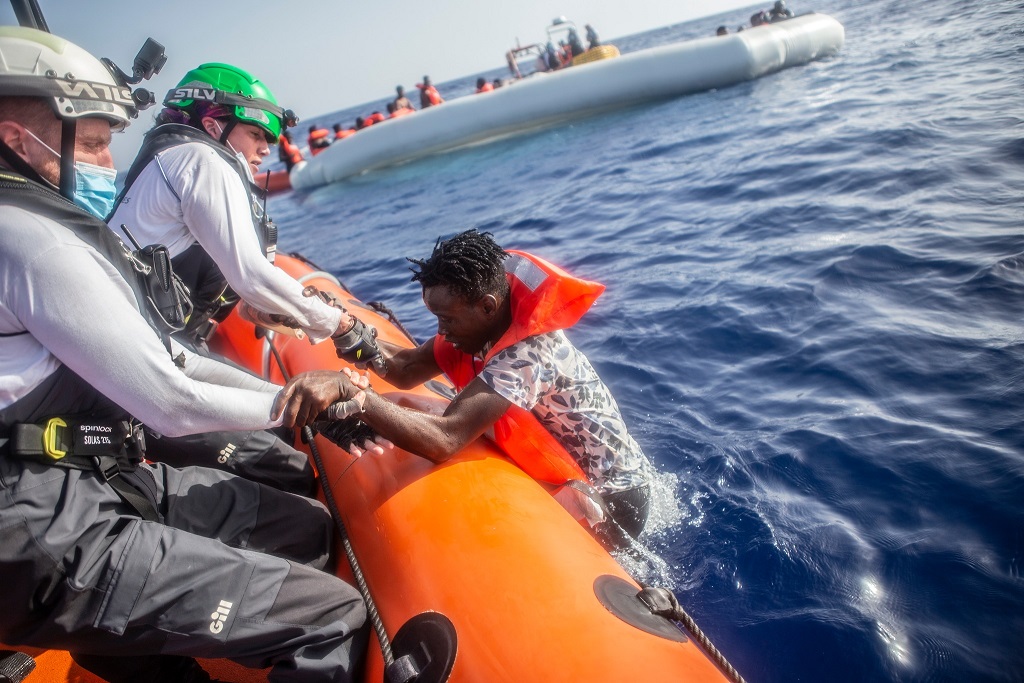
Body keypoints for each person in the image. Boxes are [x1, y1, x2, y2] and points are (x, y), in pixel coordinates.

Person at [0, 27, 369, 683]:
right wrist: (296, 400)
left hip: (77, 477)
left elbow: (166, 356)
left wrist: (290, 404)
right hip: (38, 522)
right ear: (14, 139)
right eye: (89, 144)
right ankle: (100, 626)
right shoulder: (31, 239)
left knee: (303, 529)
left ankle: (109, 641)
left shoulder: (31, 224)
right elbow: (168, 395)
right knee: (329, 613)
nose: (108, 166)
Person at [107, 63, 383, 492]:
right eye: (256, 135)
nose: (264, 150)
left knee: (280, 430)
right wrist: (343, 327)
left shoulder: (168, 161)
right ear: (215, 124)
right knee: (286, 469)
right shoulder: (200, 160)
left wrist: (301, 324)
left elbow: (246, 299)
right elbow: (252, 276)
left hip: (166, 352)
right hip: (140, 379)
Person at [288, 230, 653, 548]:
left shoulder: (528, 355)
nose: (440, 330)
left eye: (446, 319)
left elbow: (445, 440)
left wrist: (354, 398)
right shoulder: (479, 326)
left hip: (614, 498)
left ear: (487, 306)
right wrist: (343, 328)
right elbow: (405, 368)